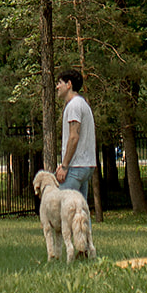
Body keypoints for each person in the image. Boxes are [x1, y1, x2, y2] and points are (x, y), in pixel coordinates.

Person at [54, 67, 96, 202]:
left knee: (65, 211)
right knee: (80, 213)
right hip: (86, 165)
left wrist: (65, 166)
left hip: (76, 167)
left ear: (69, 84)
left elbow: (74, 137)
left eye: (59, 82)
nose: (57, 87)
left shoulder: (74, 106)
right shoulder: (82, 104)